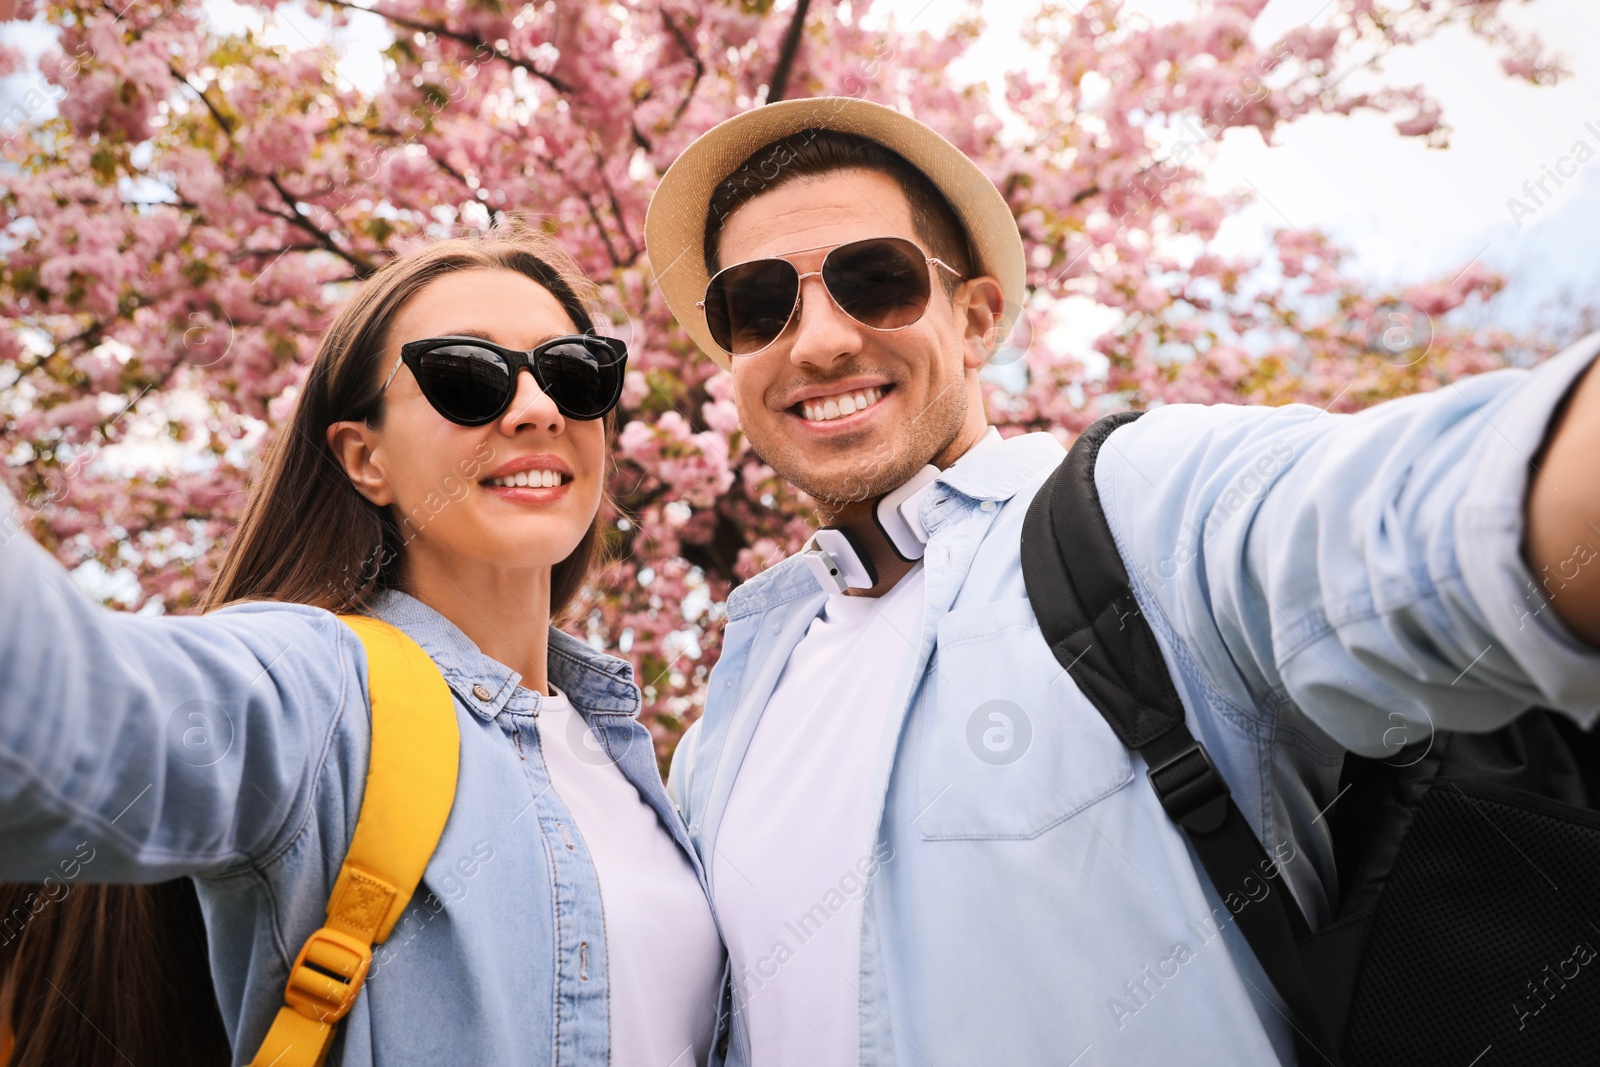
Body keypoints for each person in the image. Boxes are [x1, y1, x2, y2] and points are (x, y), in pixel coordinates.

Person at [643, 97, 1600, 1065]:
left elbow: (1425, 520)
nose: (817, 341)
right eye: (759, 306)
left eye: (874, 280)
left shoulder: (1133, 519)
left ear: (975, 318)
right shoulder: (722, 735)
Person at [0, 227, 724, 1066]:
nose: (537, 408)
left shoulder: (638, 768)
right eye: (466, 377)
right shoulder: (321, 691)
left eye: (573, 370)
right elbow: (66, 731)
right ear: (363, 455)